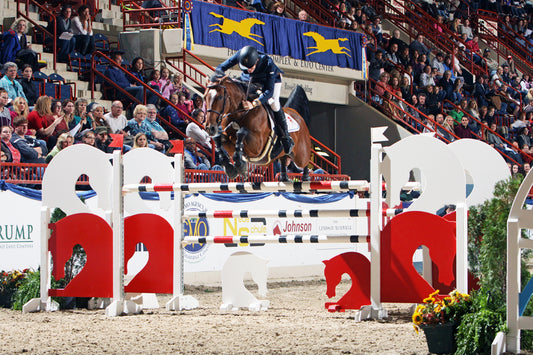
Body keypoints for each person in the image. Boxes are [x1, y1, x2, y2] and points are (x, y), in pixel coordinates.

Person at [215, 45, 294, 158]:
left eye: (251, 67)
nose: (249, 69)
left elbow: (269, 91)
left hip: (269, 82)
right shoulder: (240, 55)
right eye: (246, 67)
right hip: (249, 79)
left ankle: (286, 136)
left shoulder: (268, 63)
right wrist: (217, 76)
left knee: (274, 104)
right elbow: (221, 67)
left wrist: (254, 103)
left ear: (257, 60)